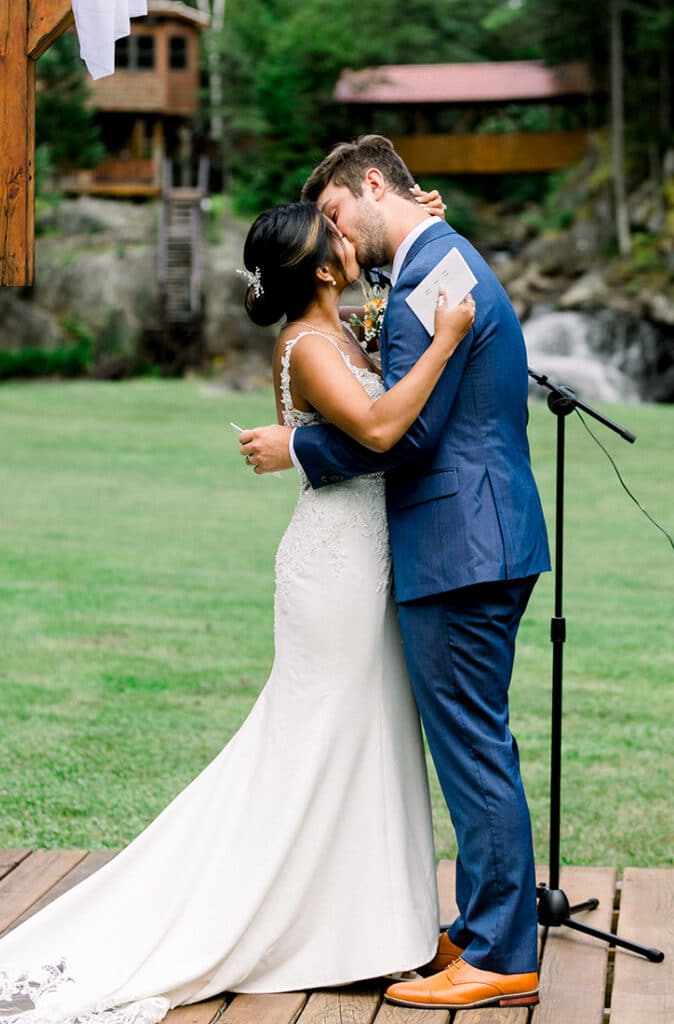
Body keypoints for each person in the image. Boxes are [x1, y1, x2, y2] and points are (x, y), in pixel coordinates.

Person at [0, 200, 475, 1024]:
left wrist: (414, 227)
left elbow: (379, 345)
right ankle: (300, 916)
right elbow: (384, 427)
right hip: (334, 569)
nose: (352, 240)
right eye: (340, 238)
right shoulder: (307, 346)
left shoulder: (340, 326)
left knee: (368, 734)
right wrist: (448, 339)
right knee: (317, 738)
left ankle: (375, 924)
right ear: (322, 268)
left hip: (367, 558)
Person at [238, 134, 551, 1012]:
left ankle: (498, 953)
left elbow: (402, 435)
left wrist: (299, 443)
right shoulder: (434, 262)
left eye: (336, 215)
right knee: (475, 742)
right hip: (473, 537)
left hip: (461, 545)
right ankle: (490, 927)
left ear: (373, 186)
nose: (336, 239)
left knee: (474, 749)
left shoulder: (430, 279)